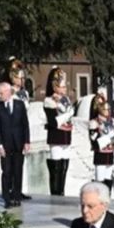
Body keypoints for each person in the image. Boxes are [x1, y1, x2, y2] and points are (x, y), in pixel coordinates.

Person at [0, 81, 30, 208]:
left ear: (8, 92)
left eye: (1, 93)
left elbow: (25, 124)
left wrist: (27, 141)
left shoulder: (20, 105)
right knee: (7, 171)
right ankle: (7, 198)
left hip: (18, 143)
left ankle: (17, 196)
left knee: (18, 171)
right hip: (6, 145)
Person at [43, 68, 75, 196]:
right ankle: (55, 192)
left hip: (66, 134)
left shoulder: (66, 100)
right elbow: (53, 122)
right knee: (55, 166)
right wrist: (67, 114)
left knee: (64, 165)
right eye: (61, 86)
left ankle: (61, 190)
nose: (64, 88)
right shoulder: (49, 101)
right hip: (55, 135)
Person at [89, 98, 114, 193]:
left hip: (110, 154)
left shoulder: (112, 121)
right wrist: (108, 138)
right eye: (105, 109)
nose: (108, 111)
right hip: (100, 154)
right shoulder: (94, 122)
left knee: (108, 178)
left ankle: (107, 199)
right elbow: (95, 142)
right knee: (100, 179)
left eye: (109, 109)